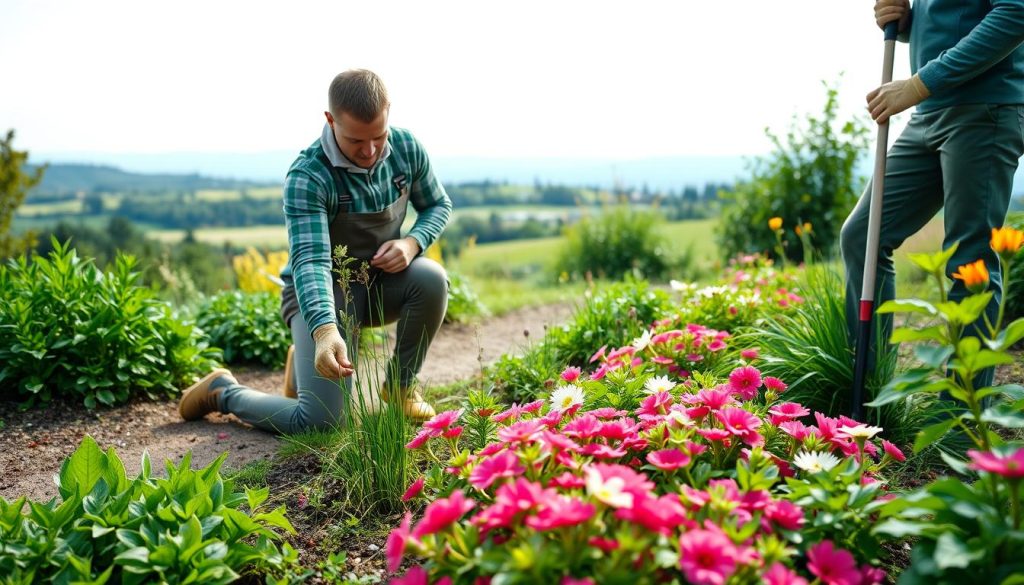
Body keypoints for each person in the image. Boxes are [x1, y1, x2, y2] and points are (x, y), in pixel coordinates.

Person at [178, 69, 452, 432]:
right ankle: (224, 392)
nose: (370, 151)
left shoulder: (406, 148)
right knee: (324, 424)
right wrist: (324, 331)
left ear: (389, 113)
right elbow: (311, 262)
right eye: (356, 140)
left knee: (432, 278)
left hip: (378, 287)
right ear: (330, 120)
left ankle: (400, 388)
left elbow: (438, 205)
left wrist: (412, 242)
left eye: (379, 136)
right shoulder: (308, 176)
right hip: (321, 295)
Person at [840, 0, 1024, 390]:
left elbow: (1015, 14)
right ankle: (869, 394)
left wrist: (920, 83)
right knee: (863, 236)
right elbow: (952, 17)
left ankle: (962, 419)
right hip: (929, 112)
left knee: (970, 260)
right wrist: (905, 22)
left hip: (982, 109)